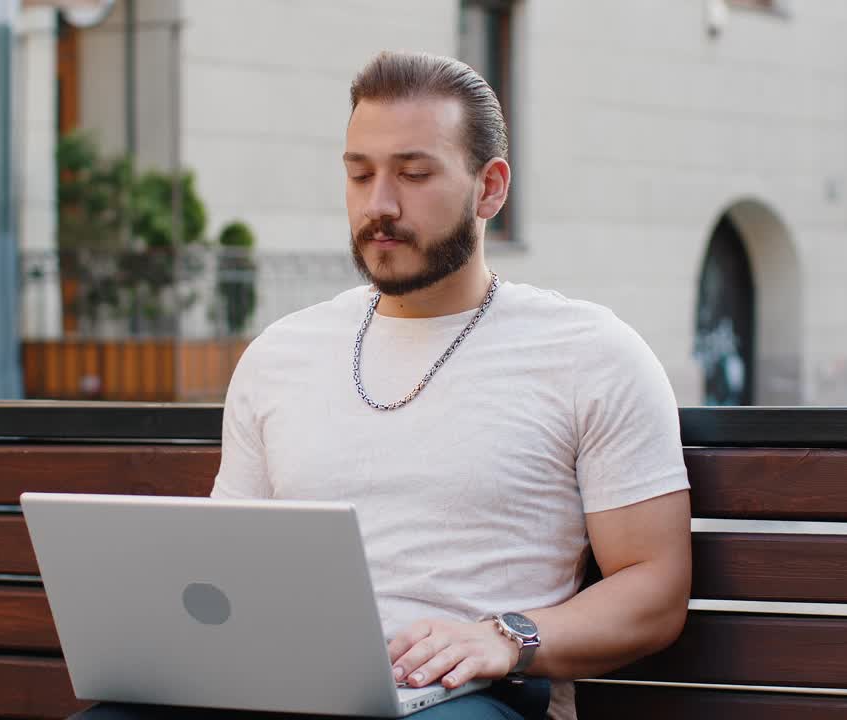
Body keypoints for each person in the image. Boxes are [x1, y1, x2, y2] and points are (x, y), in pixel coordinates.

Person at [77, 50, 692, 720]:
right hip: (282, 689)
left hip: (474, 696)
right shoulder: (280, 354)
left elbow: (654, 587)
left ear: (490, 187)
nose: (380, 205)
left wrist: (505, 637)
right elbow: (228, 567)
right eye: (360, 174)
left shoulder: (591, 353)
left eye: (414, 173)